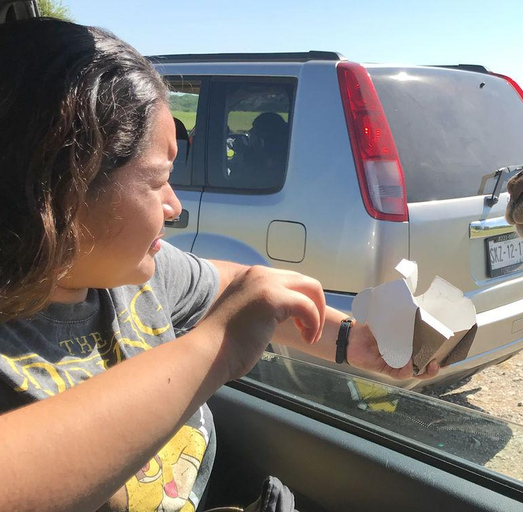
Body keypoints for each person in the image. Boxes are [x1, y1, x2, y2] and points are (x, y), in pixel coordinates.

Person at [0, 18, 438, 512]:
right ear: (62, 190)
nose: (174, 206)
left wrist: (353, 341)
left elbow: (238, 285)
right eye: (157, 180)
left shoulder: (133, 277)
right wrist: (217, 346)